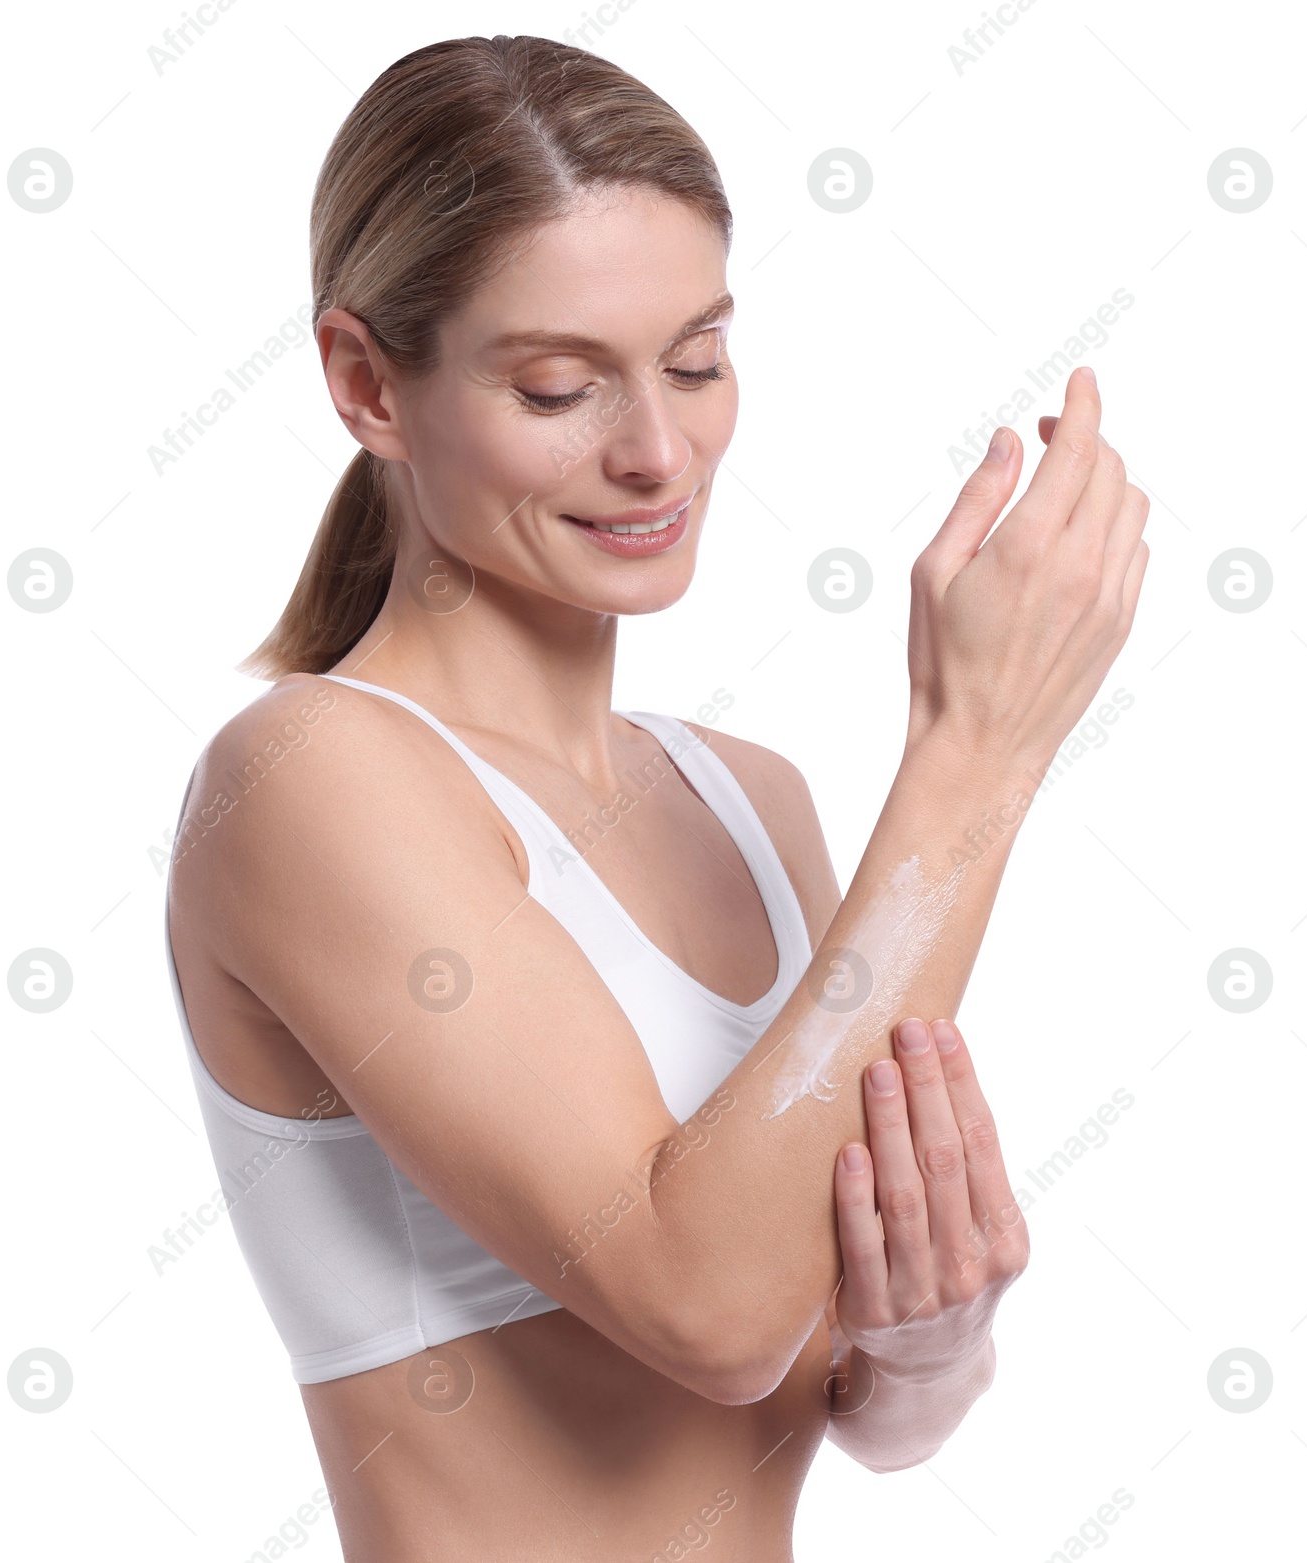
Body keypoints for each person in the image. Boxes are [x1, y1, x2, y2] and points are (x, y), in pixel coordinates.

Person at [163, 33, 1149, 1562]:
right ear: (367, 383)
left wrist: (933, 1340)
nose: (657, 449)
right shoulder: (308, 781)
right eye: (560, 387)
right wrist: (980, 751)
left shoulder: (752, 803)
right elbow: (710, 1305)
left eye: (697, 360)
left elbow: (828, 1388)